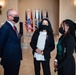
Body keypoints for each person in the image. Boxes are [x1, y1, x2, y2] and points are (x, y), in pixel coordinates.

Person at [0, 9, 22, 75]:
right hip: (9, 60)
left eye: (17, 15)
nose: (17, 17)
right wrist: (3, 57)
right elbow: (1, 44)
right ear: (9, 17)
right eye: (15, 15)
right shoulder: (5, 28)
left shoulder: (13, 27)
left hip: (15, 59)